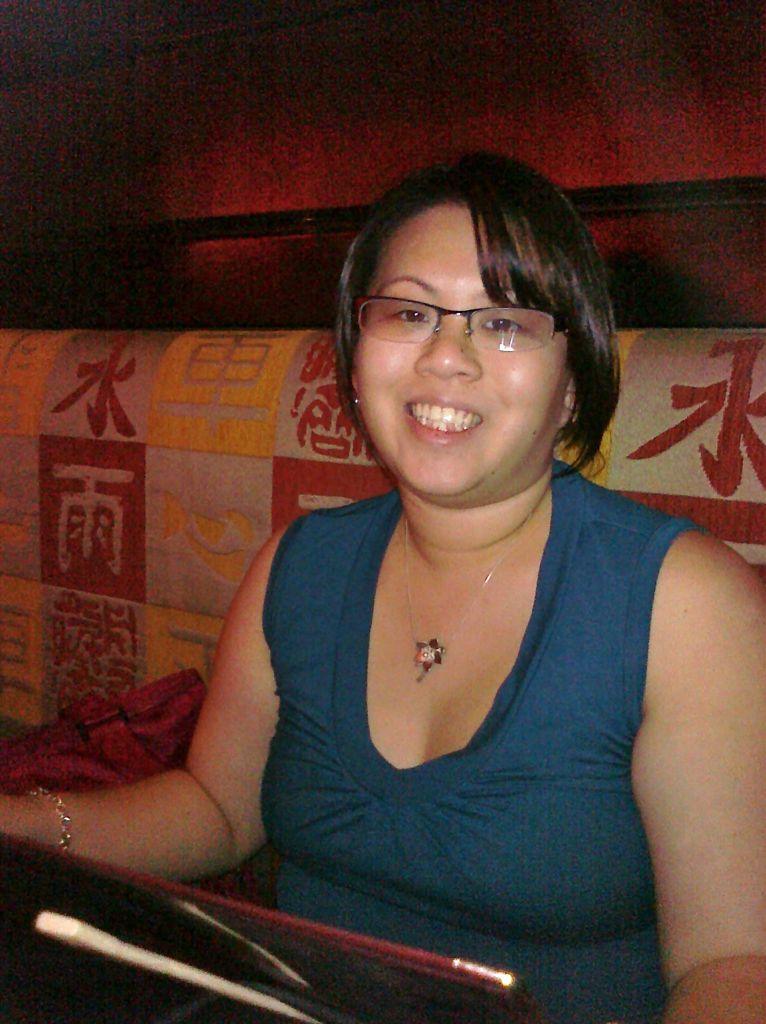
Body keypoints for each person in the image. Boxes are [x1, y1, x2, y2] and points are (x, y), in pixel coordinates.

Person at [3, 153, 766, 1024]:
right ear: (357, 353)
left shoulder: (686, 605)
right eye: (409, 312)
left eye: (505, 322)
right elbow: (218, 811)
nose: (445, 357)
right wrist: (28, 824)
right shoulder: (298, 564)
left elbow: (735, 964)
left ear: (571, 385)